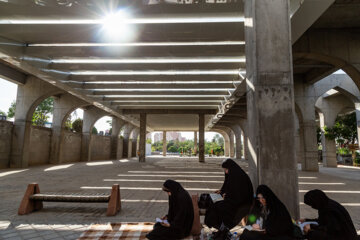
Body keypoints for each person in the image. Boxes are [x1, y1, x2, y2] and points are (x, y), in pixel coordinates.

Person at [205, 158, 253, 239]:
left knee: (218, 206)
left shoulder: (239, 177)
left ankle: (222, 228)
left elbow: (240, 195)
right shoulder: (233, 176)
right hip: (232, 200)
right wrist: (221, 192)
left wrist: (226, 197)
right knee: (211, 200)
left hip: (240, 203)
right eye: (224, 170)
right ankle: (221, 228)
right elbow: (228, 189)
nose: (226, 172)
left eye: (226, 169)